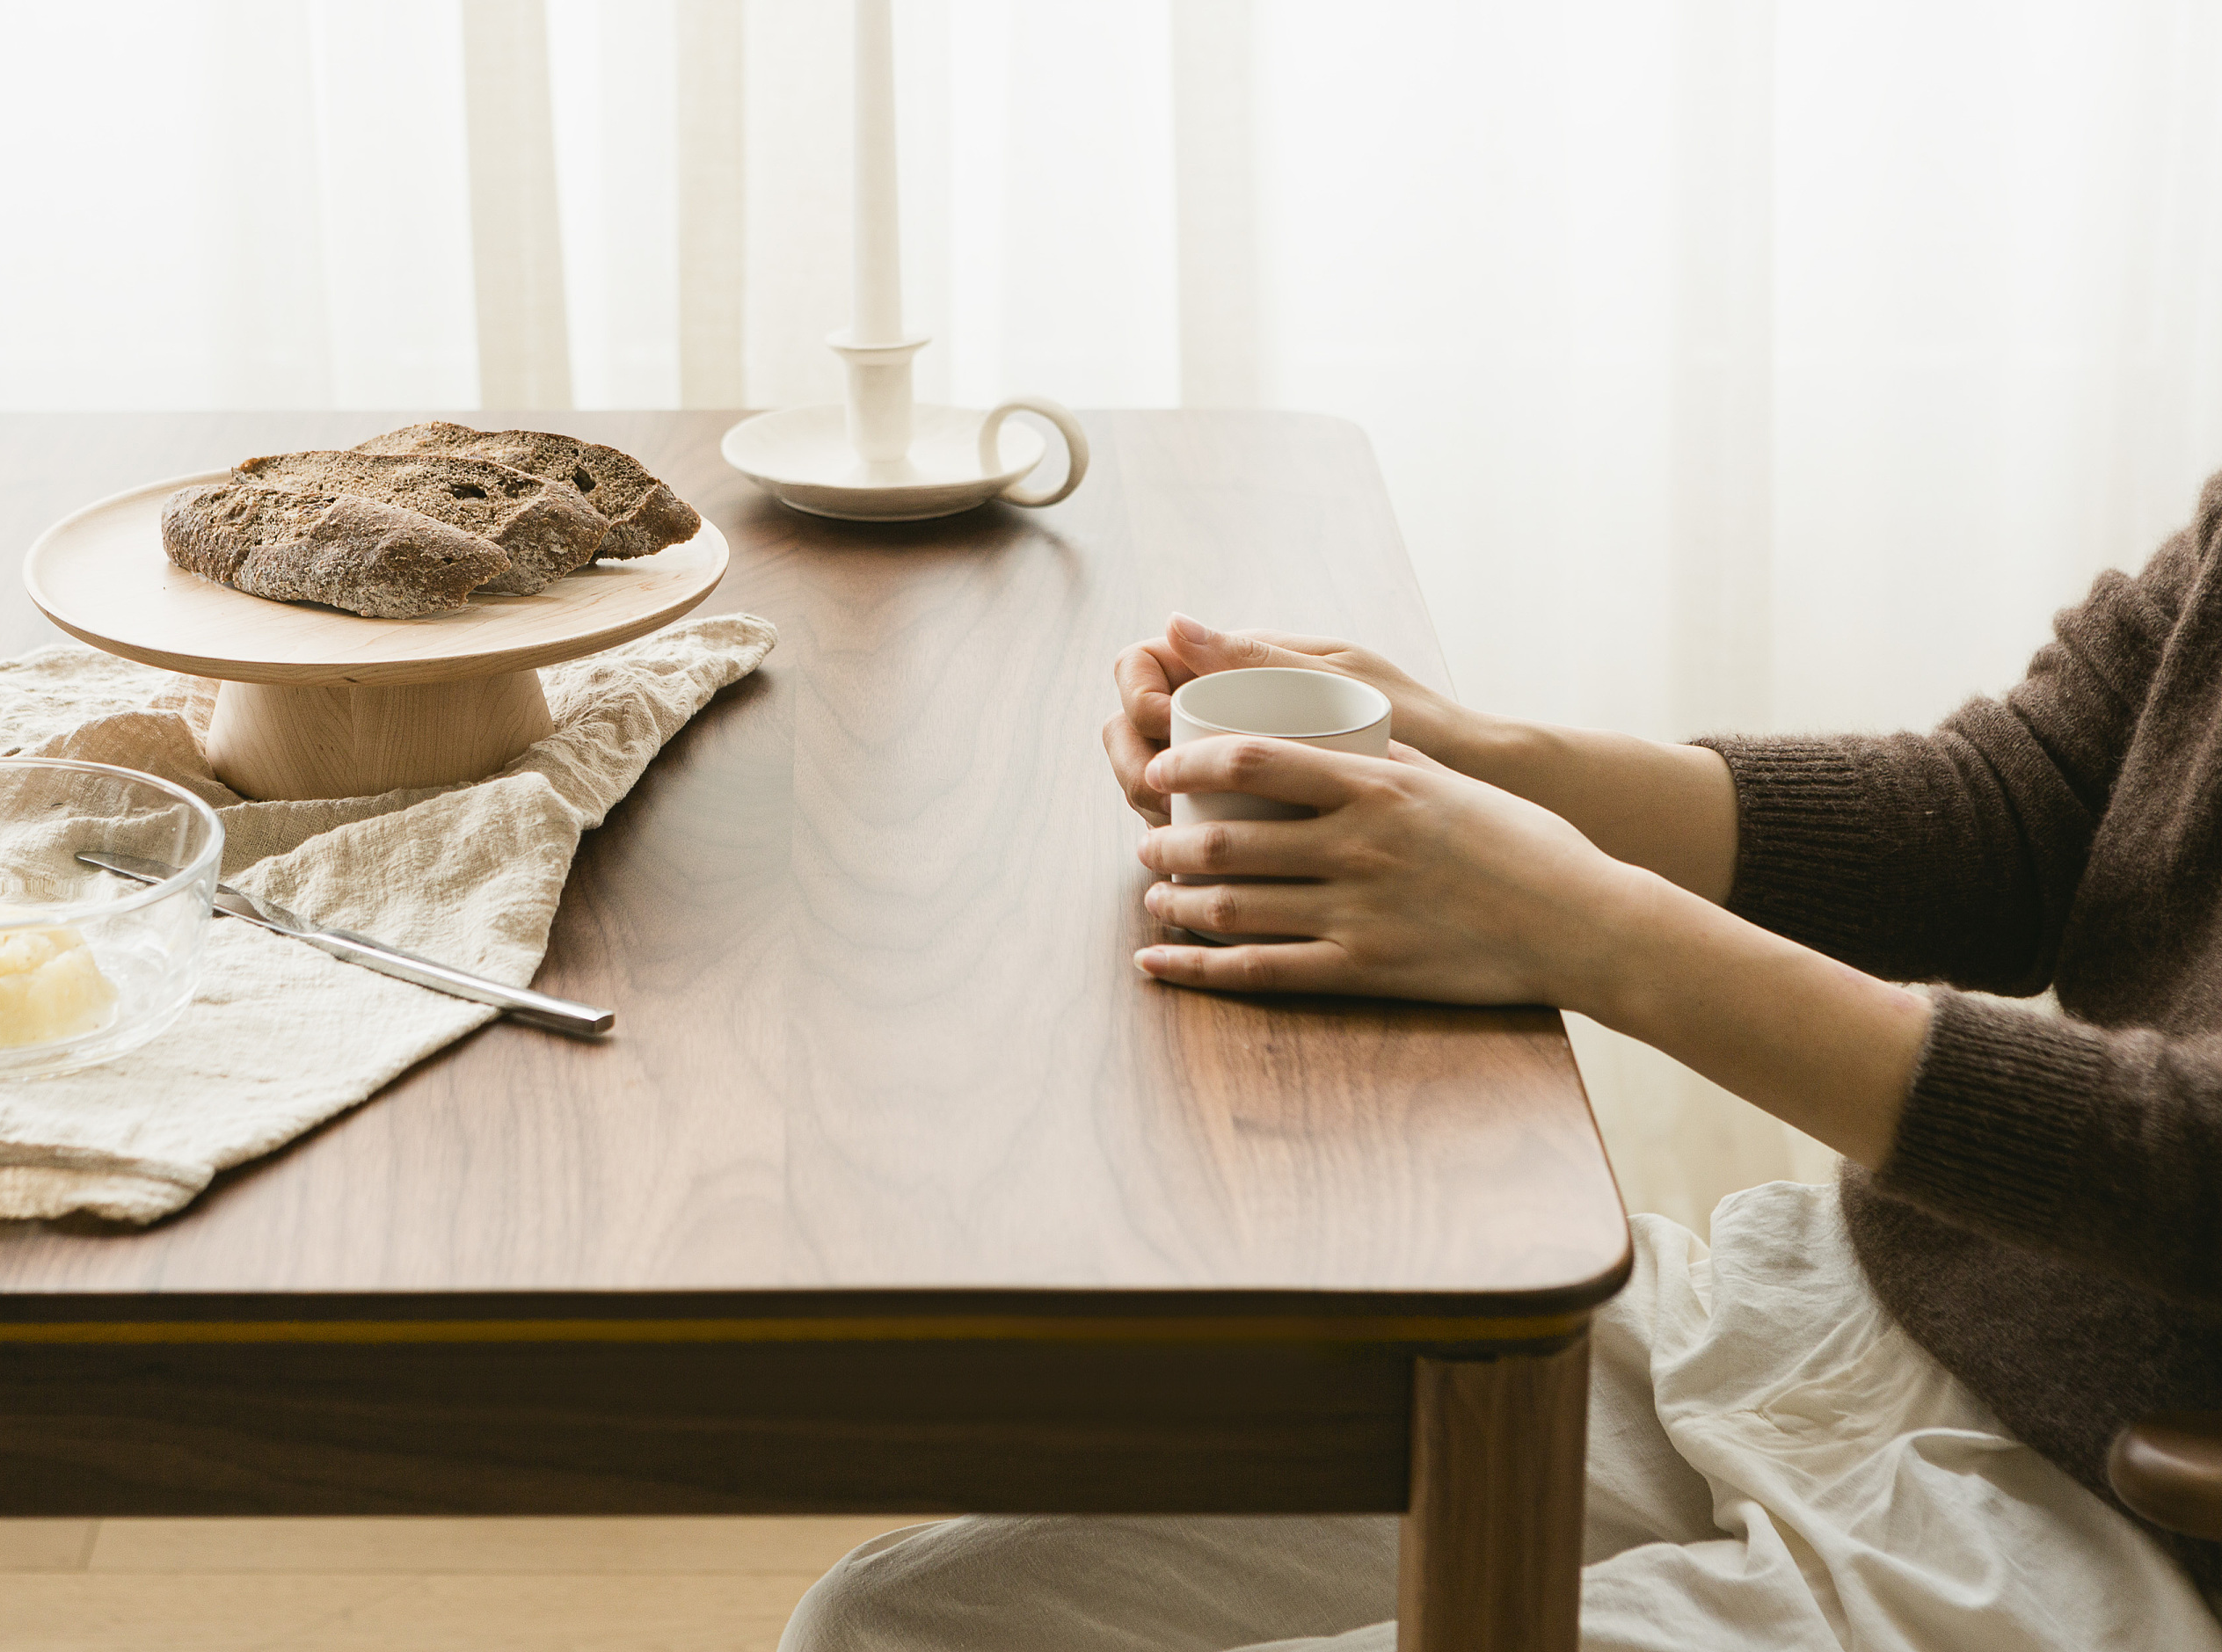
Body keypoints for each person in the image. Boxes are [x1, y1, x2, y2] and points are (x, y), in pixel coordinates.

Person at [778, 476, 2222, 1649]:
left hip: (2131, 1514)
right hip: (1863, 1312)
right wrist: (1476, 757)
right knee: (891, 1628)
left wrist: (1589, 932)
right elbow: (2017, 814)